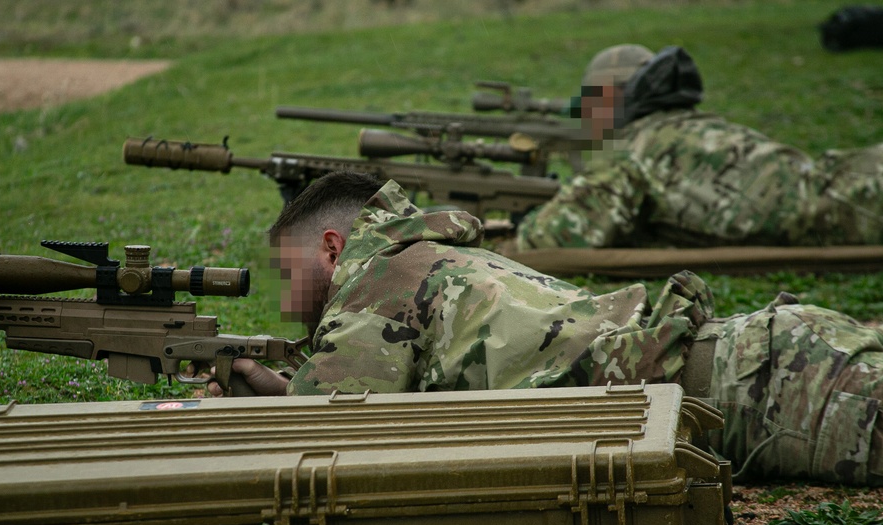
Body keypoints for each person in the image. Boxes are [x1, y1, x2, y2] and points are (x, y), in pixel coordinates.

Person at [210, 170, 883, 487]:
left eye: (287, 271)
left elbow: (327, 433)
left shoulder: (378, 285)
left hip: (765, 389)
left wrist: (248, 398)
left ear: (332, 248)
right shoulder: (428, 258)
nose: (284, 297)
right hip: (760, 364)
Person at [514, 44, 883, 250]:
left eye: (592, 104)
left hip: (852, 206)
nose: (587, 118)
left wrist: (525, 222)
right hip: (852, 181)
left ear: (611, 97)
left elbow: (553, 238)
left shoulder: (635, 150)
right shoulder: (684, 129)